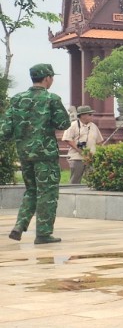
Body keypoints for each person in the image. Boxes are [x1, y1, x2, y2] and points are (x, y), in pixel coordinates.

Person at [3, 63, 70, 244]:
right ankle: (43, 233)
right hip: (45, 155)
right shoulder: (51, 99)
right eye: (52, 77)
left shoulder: (17, 99)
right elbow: (64, 124)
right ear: (47, 78)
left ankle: (20, 225)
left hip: (25, 154)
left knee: (31, 190)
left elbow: (5, 129)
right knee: (47, 193)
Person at [64, 105, 103, 185]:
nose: (92, 116)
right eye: (89, 114)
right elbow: (67, 139)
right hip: (77, 158)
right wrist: (79, 150)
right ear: (82, 115)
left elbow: (99, 142)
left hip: (91, 158)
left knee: (93, 180)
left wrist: (100, 154)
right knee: (75, 180)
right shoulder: (73, 125)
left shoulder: (94, 126)